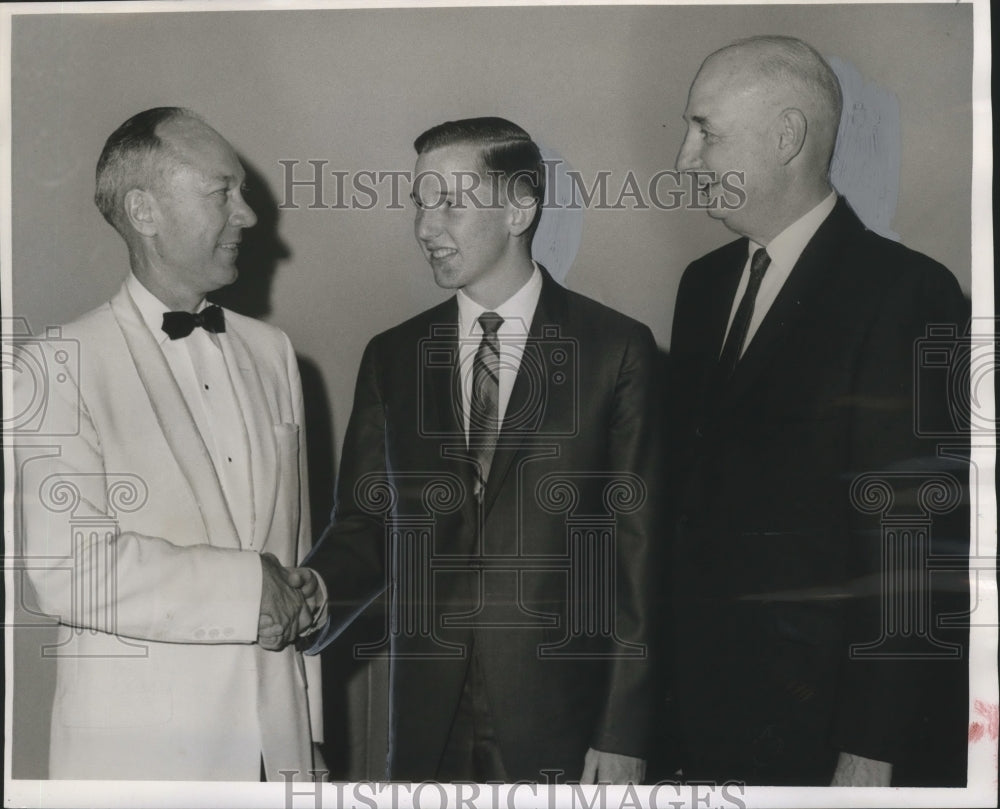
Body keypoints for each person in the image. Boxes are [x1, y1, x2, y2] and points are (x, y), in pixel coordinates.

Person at [294, 117, 662, 783]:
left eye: (450, 203)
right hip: (427, 722)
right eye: (420, 203)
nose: (426, 227)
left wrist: (624, 731)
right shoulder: (392, 357)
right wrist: (315, 587)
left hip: (566, 723)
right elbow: (365, 525)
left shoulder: (618, 351)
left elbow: (637, 555)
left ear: (521, 205)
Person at [667, 36, 969, 786]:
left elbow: (915, 544)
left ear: (788, 137)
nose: (684, 158)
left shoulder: (906, 293)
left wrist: (874, 745)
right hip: (701, 724)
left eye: (705, 131)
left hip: (827, 737)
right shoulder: (701, 288)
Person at [13, 107, 323, 780]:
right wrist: (246, 587)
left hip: (282, 760)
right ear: (144, 210)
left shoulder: (274, 354)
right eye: (223, 193)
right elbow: (69, 570)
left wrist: (310, 736)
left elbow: (292, 556)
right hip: (140, 765)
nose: (247, 215)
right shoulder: (54, 364)